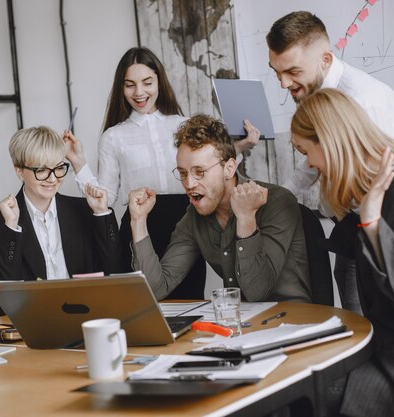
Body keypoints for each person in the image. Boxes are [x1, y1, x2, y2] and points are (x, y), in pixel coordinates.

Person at [65, 46, 260, 299]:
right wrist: (79, 164)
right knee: (145, 303)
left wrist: (242, 146)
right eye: (130, 85)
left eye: (147, 82)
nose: (139, 92)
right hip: (140, 224)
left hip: (187, 222)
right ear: (121, 88)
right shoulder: (113, 136)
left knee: (188, 302)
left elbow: (210, 165)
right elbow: (106, 197)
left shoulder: (182, 124)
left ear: (159, 81)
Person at [290, 88, 394, 416]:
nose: (310, 164)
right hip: (390, 350)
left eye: (306, 151)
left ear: (329, 142)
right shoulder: (383, 184)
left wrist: (372, 223)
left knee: (299, 394)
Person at [266, 10, 394, 313]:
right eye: (277, 72)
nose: (283, 84)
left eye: (292, 71)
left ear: (326, 60)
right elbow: (318, 159)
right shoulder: (317, 95)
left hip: (378, 238)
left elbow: (385, 184)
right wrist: (280, 197)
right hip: (348, 233)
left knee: (369, 335)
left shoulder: (365, 101)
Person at [128, 114, 311, 302]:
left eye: (200, 172)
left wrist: (246, 219)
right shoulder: (194, 216)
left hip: (292, 320)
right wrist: (138, 221)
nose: (189, 183)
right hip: (243, 323)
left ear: (229, 169)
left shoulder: (278, 202)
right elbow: (155, 290)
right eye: (183, 173)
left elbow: (257, 292)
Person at [0, 126, 122, 316]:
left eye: (59, 168)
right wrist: (11, 228)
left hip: (85, 317)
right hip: (27, 322)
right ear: (20, 171)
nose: (53, 178)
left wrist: (102, 214)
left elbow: (115, 270)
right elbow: (4, 291)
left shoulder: (83, 210)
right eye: (42, 170)